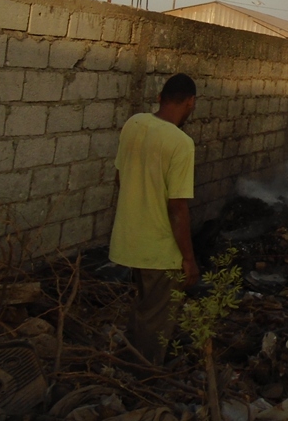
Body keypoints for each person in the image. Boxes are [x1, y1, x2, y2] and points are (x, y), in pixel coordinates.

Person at [109, 73, 199, 364]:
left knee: (144, 307)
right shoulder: (181, 143)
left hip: (131, 241)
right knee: (156, 319)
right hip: (161, 250)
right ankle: (141, 377)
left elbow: (120, 177)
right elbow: (178, 207)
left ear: (159, 98)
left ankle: (124, 363)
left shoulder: (134, 124)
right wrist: (188, 257)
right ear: (190, 103)